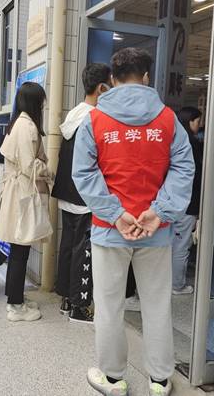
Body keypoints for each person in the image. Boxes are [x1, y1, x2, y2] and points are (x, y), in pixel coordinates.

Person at [73, 47, 194, 396]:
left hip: (109, 230)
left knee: (109, 306)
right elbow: (184, 168)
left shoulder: (94, 120)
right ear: (146, 77)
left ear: (112, 79)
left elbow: (83, 173)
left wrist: (116, 213)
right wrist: (159, 211)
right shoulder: (168, 120)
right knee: (157, 305)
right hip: (156, 231)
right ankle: (159, 380)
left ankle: (113, 380)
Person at [53, 63, 111, 324]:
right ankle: (80, 306)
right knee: (83, 250)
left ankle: (66, 298)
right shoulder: (95, 118)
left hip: (67, 191)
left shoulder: (74, 114)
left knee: (68, 245)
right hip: (85, 195)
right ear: (101, 88)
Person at [0, 82, 53, 322]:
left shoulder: (18, 123)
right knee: (20, 250)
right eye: (41, 101)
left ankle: (15, 296)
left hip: (17, 192)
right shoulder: (27, 126)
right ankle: (15, 306)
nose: (43, 106)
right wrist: (48, 169)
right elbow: (30, 166)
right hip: (23, 194)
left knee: (18, 249)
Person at [172, 106, 203, 295]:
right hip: (187, 203)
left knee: (172, 244)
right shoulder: (191, 144)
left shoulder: (172, 139)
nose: (200, 125)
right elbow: (196, 178)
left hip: (171, 202)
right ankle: (177, 285)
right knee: (181, 246)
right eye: (198, 121)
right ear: (189, 121)